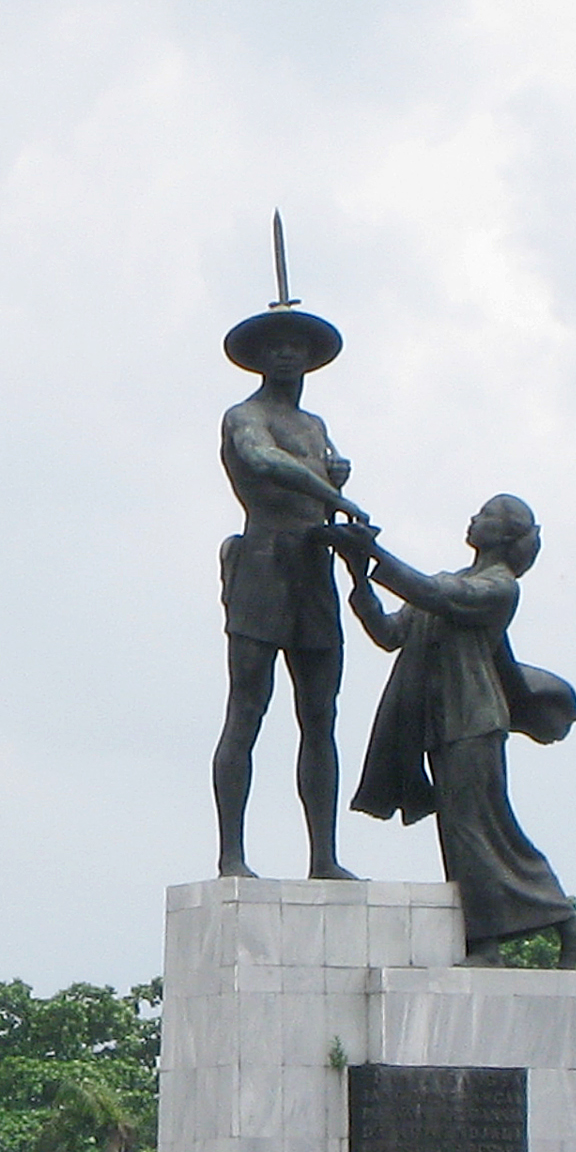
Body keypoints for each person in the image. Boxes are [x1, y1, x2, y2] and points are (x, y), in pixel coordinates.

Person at [329, 495, 576, 966]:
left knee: (481, 829)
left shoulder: (498, 587)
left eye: (487, 515)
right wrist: (357, 575)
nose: (474, 518)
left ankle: (553, 927)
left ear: (506, 535)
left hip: (473, 720)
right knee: (462, 833)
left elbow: (434, 594)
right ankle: (490, 941)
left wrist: (375, 557)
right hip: (441, 723)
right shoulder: (458, 580)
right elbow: (390, 633)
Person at [213, 305, 370, 880]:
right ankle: (232, 854)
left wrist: (338, 489)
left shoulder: (315, 427)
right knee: (247, 710)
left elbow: (317, 479)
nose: (286, 354)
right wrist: (332, 490)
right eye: (274, 345)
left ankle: (323, 857)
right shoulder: (243, 416)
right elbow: (262, 461)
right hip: (262, 562)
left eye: (295, 345)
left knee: (320, 716)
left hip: (313, 568)